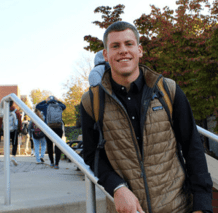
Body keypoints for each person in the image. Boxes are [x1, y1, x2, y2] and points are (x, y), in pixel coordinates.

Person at [81, 21, 213, 213]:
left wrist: (202, 206)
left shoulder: (169, 90)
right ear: (106, 55)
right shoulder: (91, 101)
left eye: (129, 44)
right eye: (115, 46)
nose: (123, 50)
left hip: (178, 207)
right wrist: (117, 187)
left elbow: (193, 148)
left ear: (140, 50)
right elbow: (92, 155)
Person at [36, 96, 66, 169]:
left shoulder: (45, 106)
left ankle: (52, 163)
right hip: (58, 127)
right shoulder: (59, 106)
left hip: (48, 128)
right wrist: (58, 100)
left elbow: (37, 106)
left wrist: (45, 101)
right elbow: (64, 106)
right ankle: (57, 164)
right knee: (58, 145)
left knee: (49, 145)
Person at [0, 101, 22, 166]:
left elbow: (0, 122)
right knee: (14, 144)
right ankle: (13, 156)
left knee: (6, 144)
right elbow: (19, 121)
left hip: (6, 130)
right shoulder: (16, 111)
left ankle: (7, 159)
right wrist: (19, 129)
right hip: (14, 130)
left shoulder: (3, 111)